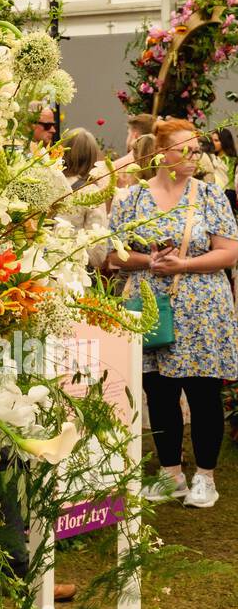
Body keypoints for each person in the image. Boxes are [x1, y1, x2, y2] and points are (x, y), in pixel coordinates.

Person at [107, 117, 238, 509]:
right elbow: (113, 254)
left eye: (197, 150)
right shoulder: (130, 198)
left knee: (203, 394)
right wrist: (150, 260)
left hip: (203, 310)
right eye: (186, 150)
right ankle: (171, 476)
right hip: (152, 307)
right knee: (159, 393)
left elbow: (229, 251)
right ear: (163, 153)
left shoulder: (210, 196)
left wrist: (182, 265)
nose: (193, 157)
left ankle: (206, 478)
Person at [62, 129, 108, 267]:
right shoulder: (91, 193)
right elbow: (98, 253)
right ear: (92, 157)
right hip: (73, 272)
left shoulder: (50, 182)